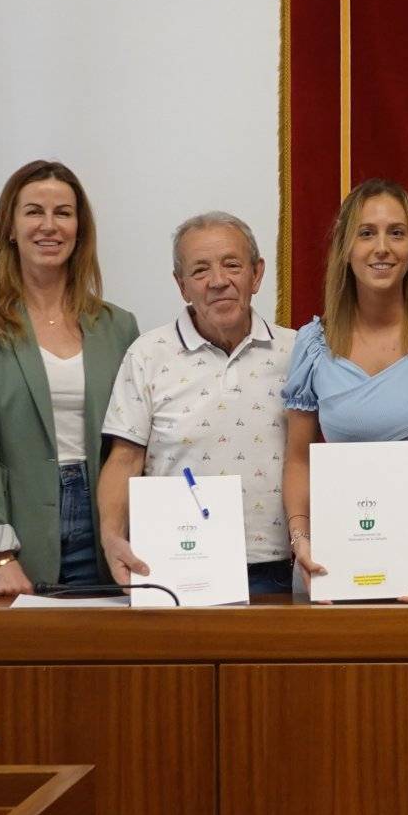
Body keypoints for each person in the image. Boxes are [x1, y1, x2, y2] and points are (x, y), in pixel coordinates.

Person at [0, 161, 140, 595]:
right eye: (34, 211)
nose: (48, 226)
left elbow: (131, 445)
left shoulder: (119, 326)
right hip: (13, 535)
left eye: (63, 213)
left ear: (79, 229)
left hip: (104, 531)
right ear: (10, 228)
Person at [282, 180, 408, 600]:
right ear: (345, 248)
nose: (382, 248)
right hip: (337, 544)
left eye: (397, 232)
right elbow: (298, 458)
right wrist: (301, 538)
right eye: (366, 232)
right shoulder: (313, 344)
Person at [99, 211, 297, 600]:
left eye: (232, 265)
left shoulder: (298, 351)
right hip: (176, 565)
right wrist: (111, 536)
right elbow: (124, 459)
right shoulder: (148, 355)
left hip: (279, 570)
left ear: (257, 274)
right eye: (201, 270)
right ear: (182, 285)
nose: (219, 281)